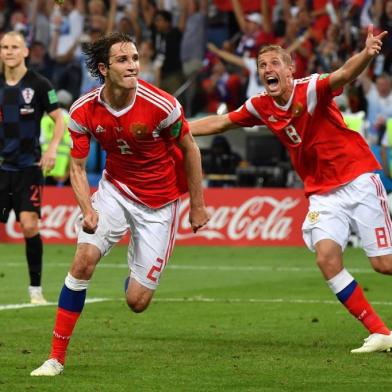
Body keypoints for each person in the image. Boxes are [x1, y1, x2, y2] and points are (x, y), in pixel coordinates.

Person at [190, 25, 392, 354]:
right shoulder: (260, 106)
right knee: (327, 259)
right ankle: (380, 332)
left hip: (357, 178)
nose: (268, 69)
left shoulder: (310, 89)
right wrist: (176, 129)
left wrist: (367, 53)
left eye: (274, 63)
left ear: (290, 68)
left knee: (384, 265)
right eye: (262, 66)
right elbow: (221, 122)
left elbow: (343, 74)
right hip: (323, 193)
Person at [30, 32, 209, 376]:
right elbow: (78, 168)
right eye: (123, 60)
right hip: (115, 190)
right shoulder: (83, 110)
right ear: (103, 68)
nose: (133, 66)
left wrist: (197, 205)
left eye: (135, 59)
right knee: (82, 262)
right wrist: (88, 210)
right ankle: (55, 357)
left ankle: (137, 274)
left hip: (159, 204)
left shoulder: (162, 105)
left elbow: (190, 148)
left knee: (137, 302)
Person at [0, 31, 64, 305]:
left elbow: (60, 119)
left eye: (14, 47)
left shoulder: (39, 84)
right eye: (4, 47)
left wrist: (51, 149)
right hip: (1, 167)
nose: (9, 51)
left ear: (25, 51)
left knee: (28, 226)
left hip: (28, 167)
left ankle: (35, 290)